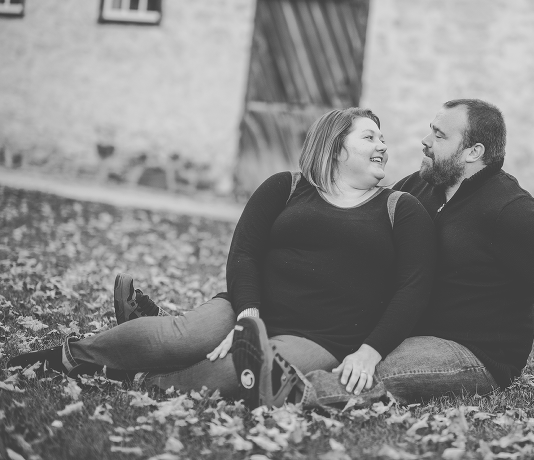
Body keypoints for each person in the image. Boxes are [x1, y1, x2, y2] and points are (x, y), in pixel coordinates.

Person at [8, 107, 436, 407]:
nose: (382, 146)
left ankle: (139, 375)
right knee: (175, 338)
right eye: (369, 137)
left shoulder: (400, 209)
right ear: (335, 146)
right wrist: (248, 315)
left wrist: (370, 351)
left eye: (383, 139)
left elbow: (413, 289)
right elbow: (244, 252)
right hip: (249, 306)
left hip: (321, 336)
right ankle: (67, 357)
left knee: (226, 375)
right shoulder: (286, 187)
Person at [265, 98, 534, 409]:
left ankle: (284, 392)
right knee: (352, 350)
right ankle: (265, 373)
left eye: (439, 135)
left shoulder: (512, 211)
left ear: (473, 151)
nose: (425, 141)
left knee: (370, 372)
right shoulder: (420, 186)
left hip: (470, 350)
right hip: (406, 328)